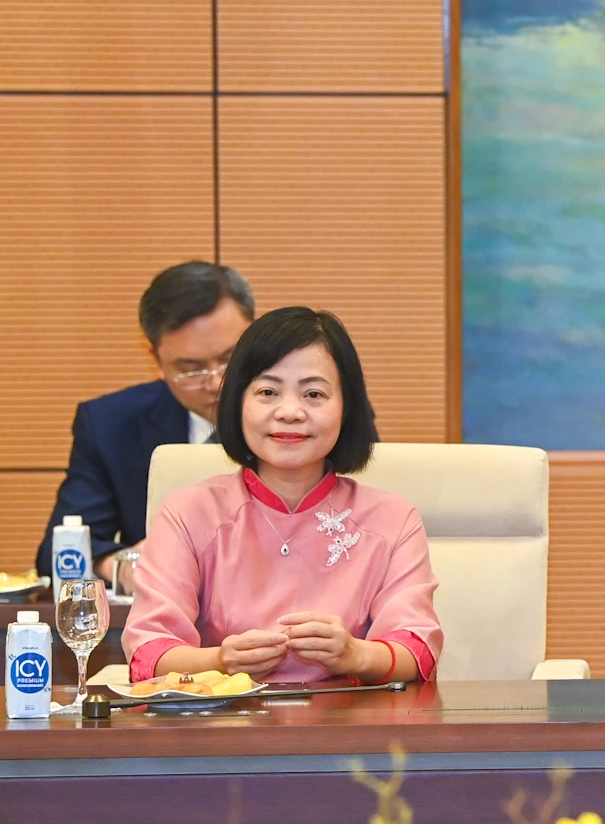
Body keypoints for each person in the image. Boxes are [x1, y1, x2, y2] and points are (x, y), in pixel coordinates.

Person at [122, 307, 441, 685]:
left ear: (347, 407)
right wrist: (221, 660)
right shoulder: (189, 512)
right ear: (238, 403)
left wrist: (355, 655)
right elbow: (148, 651)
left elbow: (417, 652)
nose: (290, 412)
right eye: (268, 392)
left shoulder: (393, 518)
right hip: (224, 730)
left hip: (353, 731)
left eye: (314, 394)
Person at [36, 261, 255, 582]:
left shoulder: (307, 417)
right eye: (191, 368)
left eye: (230, 358)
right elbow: (59, 552)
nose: (215, 382)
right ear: (156, 360)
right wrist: (126, 567)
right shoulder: (110, 424)